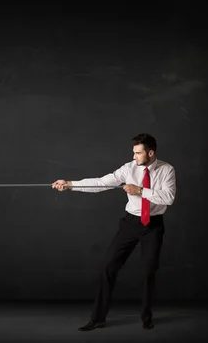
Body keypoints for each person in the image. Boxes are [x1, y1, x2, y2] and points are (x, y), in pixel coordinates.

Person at [52, 133, 176, 331]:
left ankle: (147, 316)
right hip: (130, 223)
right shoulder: (128, 168)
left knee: (148, 271)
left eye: (138, 153)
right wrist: (70, 184)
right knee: (107, 267)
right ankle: (98, 318)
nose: (134, 156)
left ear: (150, 152)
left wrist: (140, 191)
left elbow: (168, 198)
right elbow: (102, 183)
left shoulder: (167, 170)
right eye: (133, 152)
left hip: (153, 226)